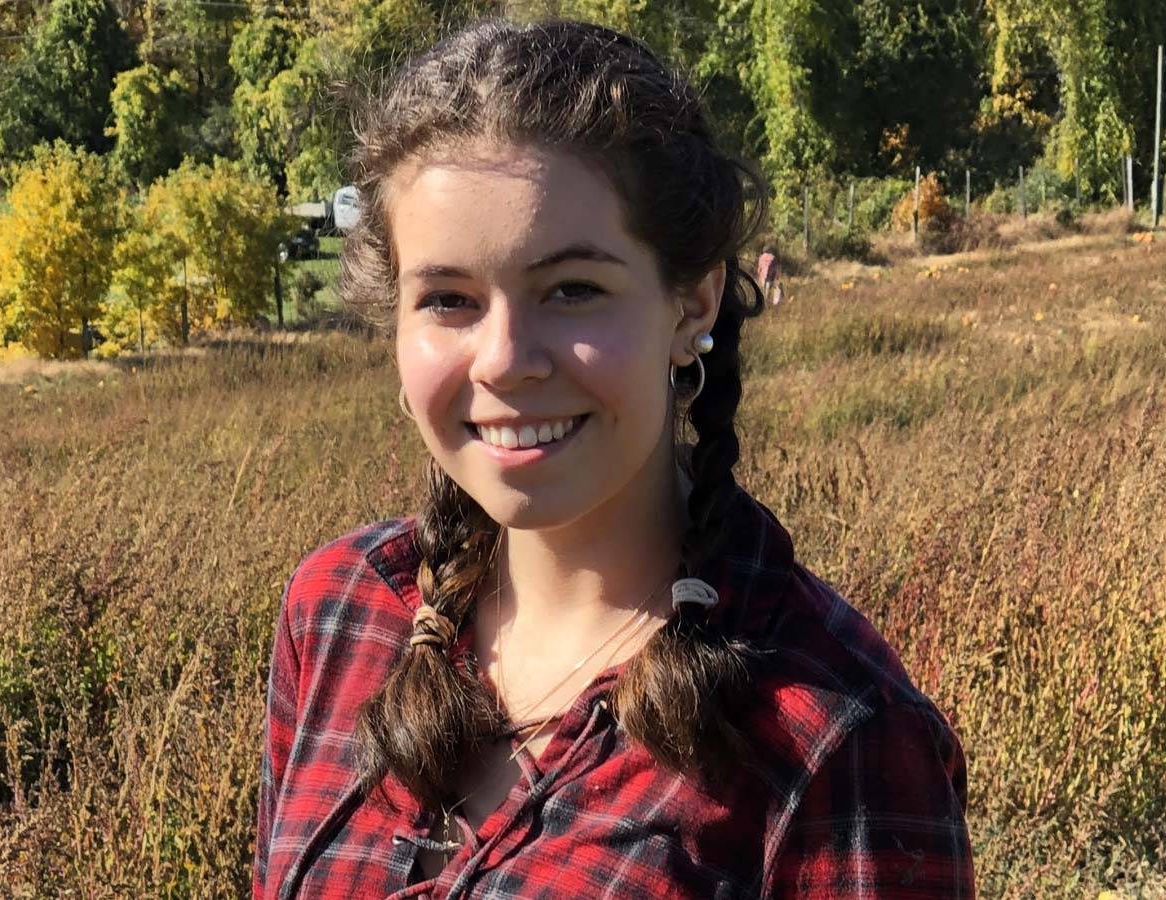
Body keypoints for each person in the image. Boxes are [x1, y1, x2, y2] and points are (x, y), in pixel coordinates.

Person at [254, 19, 974, 900]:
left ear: (690, 301)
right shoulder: (339, 613)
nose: (504, 359)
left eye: (573, 290)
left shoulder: (834, 737)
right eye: (448, 299)